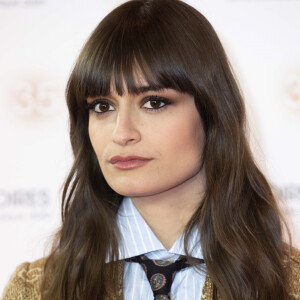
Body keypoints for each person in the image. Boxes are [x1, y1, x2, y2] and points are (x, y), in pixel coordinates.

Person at [2, 0, 300, 299]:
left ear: (213, 112)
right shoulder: (34, 289)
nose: (122, 133)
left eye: (154, 102)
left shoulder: (291, 283)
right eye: (102, 106)